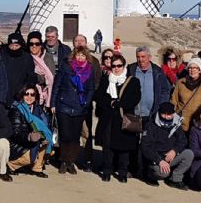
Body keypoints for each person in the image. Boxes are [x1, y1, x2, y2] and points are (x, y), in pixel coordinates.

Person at [94, 54, 141, 183]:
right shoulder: (106, 80)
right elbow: (98, 96)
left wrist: (120, 103)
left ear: (124, 66)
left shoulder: (133, 81)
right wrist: (109, 103)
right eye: (113, 66)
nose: (116, 68)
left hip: (124, 117)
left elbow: (135, 98)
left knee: (124, 148)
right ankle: (107, 171)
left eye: (119, 65)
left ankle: (122, 172)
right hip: (108, 118)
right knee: (107, 146)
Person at [127, 46, 171, 177]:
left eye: (143, 57)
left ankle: (147, 171)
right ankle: (133, 168)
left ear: (149, 57)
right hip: (134, 114)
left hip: (151, 114)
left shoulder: (157, 71)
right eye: (138, 57)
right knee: (132, 143)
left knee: (148, 144)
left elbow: (165, 90)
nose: (141, 60)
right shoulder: (131, 69)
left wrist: (160, 106)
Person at [51, 46, 95, 175]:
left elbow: (91, 88)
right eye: (78, 55)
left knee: (75, 137)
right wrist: (53, 103)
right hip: (64, 105)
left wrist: (86, 102)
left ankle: (71, 161)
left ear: (86, 57)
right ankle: (63, 161)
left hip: (80, 107)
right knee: (65, 135)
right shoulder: (66, 67)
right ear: (74, 56)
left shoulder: (90, 70)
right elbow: (57, 85)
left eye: (83, 55)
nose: (80, 57)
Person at [140, 102, 193, 190]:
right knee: (163, 173)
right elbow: (145, 147)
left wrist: (174, 151)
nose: (166, 116)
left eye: (169, 114)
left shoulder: (176, 123)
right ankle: (149, 176)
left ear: (173, 114)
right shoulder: (151, 125)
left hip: (170, 156)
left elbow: (183, 140)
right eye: (163, 114)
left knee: (189, 154)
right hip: (155, 159)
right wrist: (159, 160)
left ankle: (175, 179)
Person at [7, 86, 54, 178]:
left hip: (36, 139)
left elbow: (45, 127)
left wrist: (42, 137)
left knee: (45, 141)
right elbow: (15, 132)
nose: (29, 97)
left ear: (36, 97)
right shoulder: (16, 110)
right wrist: (29, 137)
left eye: (32, 94)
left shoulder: (38, 109)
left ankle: (37, 168)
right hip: (18, 142)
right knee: (30, 156)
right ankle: (11, 165)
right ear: (22, 95)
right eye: (26, 94)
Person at [73, 33, 101, 172]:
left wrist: (87, 97)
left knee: (86, 133)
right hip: (71, 103)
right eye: (77, 41)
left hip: (85, 103)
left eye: (82, 41)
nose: (79, 43)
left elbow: (96, 82)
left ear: (86, 43)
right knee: (71, 133)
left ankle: (88, 159)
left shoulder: (94, 62)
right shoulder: (69, 60)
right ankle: (71, 159)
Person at [170, 57, 201, 133]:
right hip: (181, 124)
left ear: (199, 70)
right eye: (190, 68)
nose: (192, 70)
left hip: (199, 125)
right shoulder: (180, 83)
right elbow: (173, 101)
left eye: (195, 68)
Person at [1, 32, 37, 107]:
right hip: (3, 97)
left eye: (16, 45)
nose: (14, 48)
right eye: (11, 45)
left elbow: (31, 77)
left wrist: (22, 92)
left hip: (20, 98)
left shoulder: (26, 58)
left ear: (21, 45)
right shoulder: (2, 56)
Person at [27, 31, 55, 109]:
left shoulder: (47, 58)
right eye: (31, 44)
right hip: (27, 95)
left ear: (41, 45)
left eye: (37, 44)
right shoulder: (25, 57)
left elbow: (51, 77)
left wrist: (36, 77)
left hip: (44, 94)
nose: (34, 46)